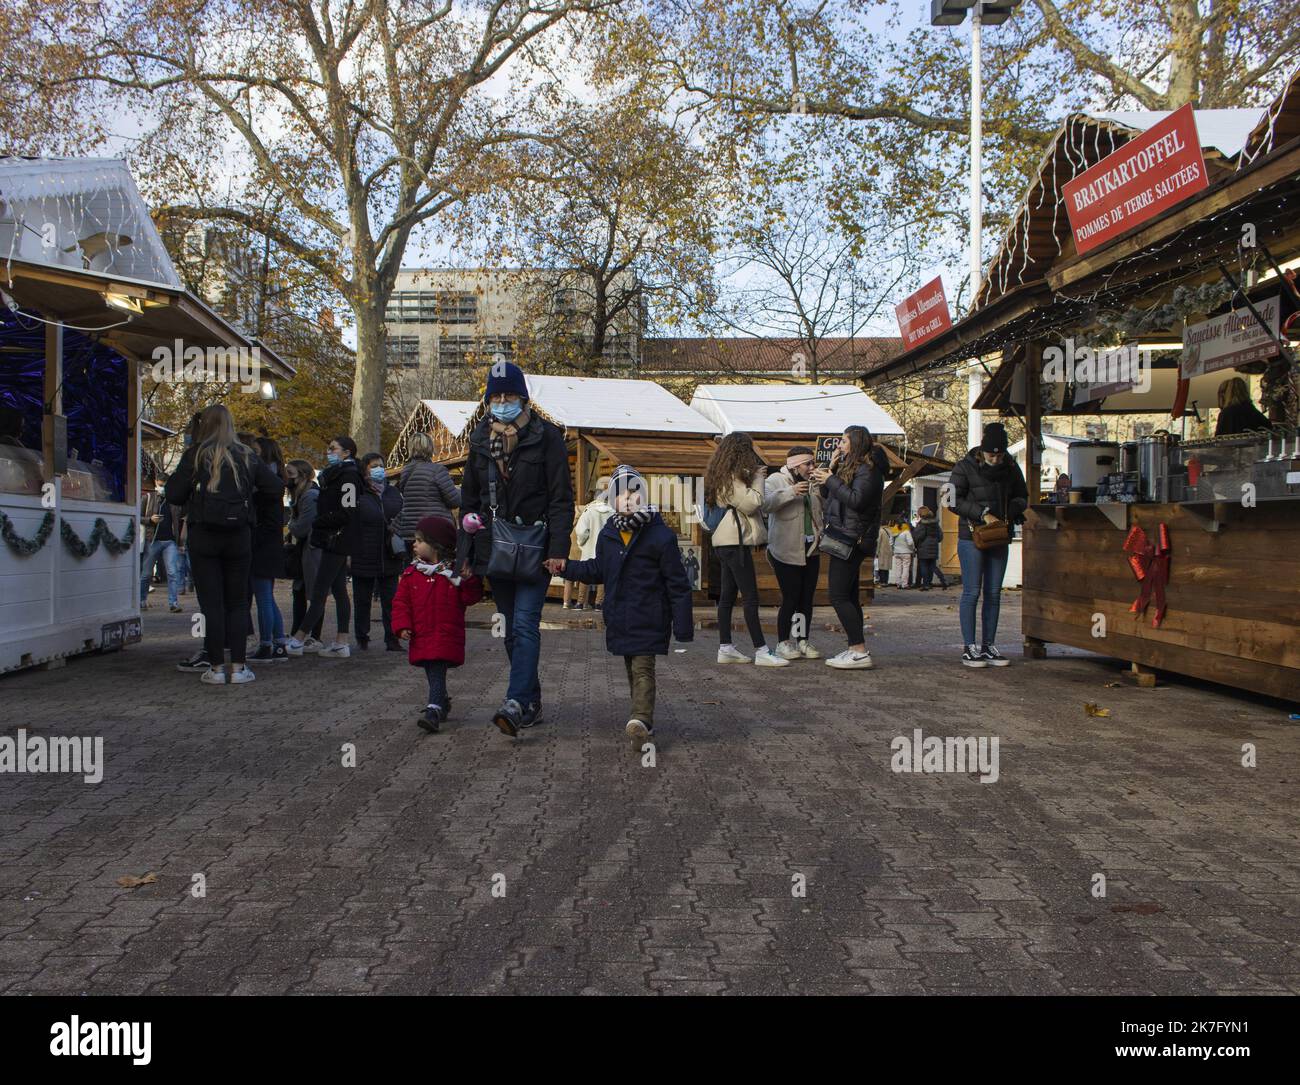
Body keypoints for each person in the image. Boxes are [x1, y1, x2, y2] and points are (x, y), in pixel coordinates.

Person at [459, 362, 574, 736]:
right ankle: (531, 701)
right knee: (509, 630)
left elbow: (561, 498)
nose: (503, 402)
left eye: (510, 396)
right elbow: (469, 503)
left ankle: (513, 701)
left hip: (536, 548)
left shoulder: (548, 438)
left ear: (524, 399)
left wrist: (559, 548)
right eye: (496, 396)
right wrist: (465, 556)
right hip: (495, 547)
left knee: (525, 624)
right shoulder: (478, 441)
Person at [562, 465, 693, 748]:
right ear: (612, 500)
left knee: (643, 667)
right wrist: (566, 568)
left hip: (650, 614)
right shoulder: (610, 534)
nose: (628, 498)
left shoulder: (661, 536)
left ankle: (641, 718)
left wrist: (682, 625)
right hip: (620, 615)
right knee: (632, 667)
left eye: (634, 492)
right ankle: (642, 722)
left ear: (642, 497)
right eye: (620, 494)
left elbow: (677, 583)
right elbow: (599, 570)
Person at [165, 404, 281, 683]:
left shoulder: (195, 455)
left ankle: (216, 666)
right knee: (238, 602)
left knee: (211, 603)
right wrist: (249, 498)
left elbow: (174, 494)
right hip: (239, 534)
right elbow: (275, 487)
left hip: (203, 533)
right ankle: (239, 667)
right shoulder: (246, 455)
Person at [392, 515, 483, 734]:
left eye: (419, 540)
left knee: (436, 669)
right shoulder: (411, 575)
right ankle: (441, 700)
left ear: (435, 545)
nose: (414, 544)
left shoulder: (452, 574)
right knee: (432, 670)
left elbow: (470, 597)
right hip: (422, 634)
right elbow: (400, 603)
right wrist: (402, 626)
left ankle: (432, 710)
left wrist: (469, 580)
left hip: (445, 634)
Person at [705, 432, 787, 667]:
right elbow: (753, 504)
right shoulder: (732, 477)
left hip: (728, 541)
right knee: (750, 597)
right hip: (735, 542)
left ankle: (726, 647)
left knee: (728, 597)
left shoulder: (723, 475)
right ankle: (761, 650)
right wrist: (759, 478)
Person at [951, 421, 1028, 668]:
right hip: (971, 536)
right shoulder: (964, 467)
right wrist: (982, 513)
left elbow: (1022, 496)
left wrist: (1010, 511)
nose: (994, 459)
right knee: (972, 591)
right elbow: (952, 500)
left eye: (998, 454)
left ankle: (989, 646)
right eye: (990, 454)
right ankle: (969, 647)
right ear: (982, 450)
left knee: (994, 593)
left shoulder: (1011, 467)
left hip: (999, 535)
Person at [811, 425, 882, 669]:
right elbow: (829, 496)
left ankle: (860, 650)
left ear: (856, 443)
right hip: (843, 534)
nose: (839, 445)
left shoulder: (869, 471)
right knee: (849, 595)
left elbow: (856, 501)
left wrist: (831, 479)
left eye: (843, 441)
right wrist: (830, 472)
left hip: (852, 538)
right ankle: (855, 647)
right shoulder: (850, 468)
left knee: (838, 595)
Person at [285, 437, 362, 658]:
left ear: (346, 452)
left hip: (335, 539)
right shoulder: (339, 476)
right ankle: (341, 640)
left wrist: (320, 521)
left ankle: (298, 639)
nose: (329, 452)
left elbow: (348, 511)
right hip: (334, 538)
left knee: (319, 591)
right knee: (338, 591)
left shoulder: (348, 477)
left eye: (333, 449)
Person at [764, 446, 824, 660]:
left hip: (811, 549)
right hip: (785, 549)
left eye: (812, 463)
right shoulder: (775, 480)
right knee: (790, 597)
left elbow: (820, 509)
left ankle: (802, 641)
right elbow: (765, 505)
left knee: (806, 599)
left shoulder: (815, 482)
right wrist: (791, 492)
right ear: (795, 465)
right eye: (807, 464)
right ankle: (782, 642)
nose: (811, 467)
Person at [353, 452, 405, 650]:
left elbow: (402, 514)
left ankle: (392, 639)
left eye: (381, 465)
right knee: (362, 600)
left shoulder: (392, 492)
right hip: (364, 553)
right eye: (374, 465)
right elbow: (351, 521)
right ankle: (362, 637)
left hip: (388, 554)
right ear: (365, 469)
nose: (379, 469)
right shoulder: (358, 492)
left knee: (390, 601)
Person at [246, 437, 289, 662]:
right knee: (267, 596)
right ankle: (279, 642)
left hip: (262, 543)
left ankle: (266, 644)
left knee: (263, 596)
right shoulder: (276, 480)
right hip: (270, 543)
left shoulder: (265, 485)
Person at [394, 432, 461, 563]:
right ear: (430, 447)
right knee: (438, 573)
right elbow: (454, 501)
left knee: (416, 574)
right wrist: (460, 491)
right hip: (435, 531)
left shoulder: (405, 472)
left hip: (410, 532)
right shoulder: (438, 470)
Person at [285, 459, 326, 650]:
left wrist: (291, 525)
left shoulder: (308, 496)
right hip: (305, 551)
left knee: (312, 593)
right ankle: (300, 633)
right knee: (300, 591)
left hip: (311, 551)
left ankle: (311, 635)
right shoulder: (302, 495)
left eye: (291, 474)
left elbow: (301, 527)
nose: (288, 478)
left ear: (301, 475)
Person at [140, 477, 182, 613]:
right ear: (156, 482)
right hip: (153, 540)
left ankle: (173, 603)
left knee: (172, 572)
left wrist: (179, 540)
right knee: (146, 574)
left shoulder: (172, 501)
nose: (162, 487)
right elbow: (137, 515)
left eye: (164, 484)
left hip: (169, 541)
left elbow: (178, 519)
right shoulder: (148, 498)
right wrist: (150, 520)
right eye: (160, 484)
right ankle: (142, 600)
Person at [573, 485, 613, 610]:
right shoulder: (612, 511)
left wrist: (582, 543)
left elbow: (581, 531)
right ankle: (599, 603)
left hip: (589, 549)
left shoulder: (589, 510)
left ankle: (580, 602)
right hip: (605, 549)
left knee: (585, 573)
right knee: (603, 575)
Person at [912, 506, 947, 590]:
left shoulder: (922, 524)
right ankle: (943, 581)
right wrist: (934, 541)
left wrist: (916, 544)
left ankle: (926, 584)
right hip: (934, 547)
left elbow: (918, 536)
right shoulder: (935, 523)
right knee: (933, 566)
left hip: (923, 547)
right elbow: (940, 536)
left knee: (923, 566)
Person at [890, 517, 916, 589]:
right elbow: (910, 542)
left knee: (898, 568)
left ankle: (898, 583)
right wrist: (913, 548)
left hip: (897, 552)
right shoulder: (906, 531)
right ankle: (904, 584)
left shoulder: (894, 531)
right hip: (906, 552)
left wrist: (894, 549)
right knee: (905, 568)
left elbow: (891, 542)